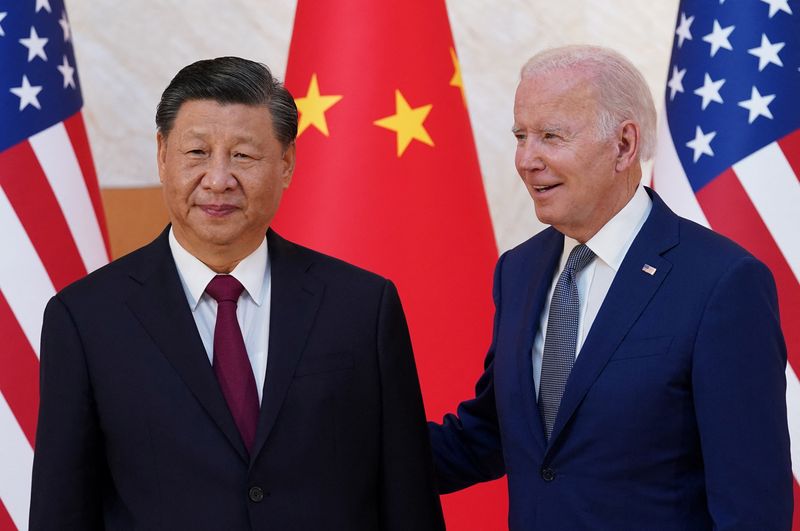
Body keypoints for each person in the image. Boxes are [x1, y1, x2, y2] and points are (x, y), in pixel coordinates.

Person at [30, 57, 444, 531]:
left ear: (286, 163)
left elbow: (409, 498)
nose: (219, 179)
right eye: (197, 153)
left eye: (243, 155)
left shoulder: (363, 306)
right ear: (163, 155)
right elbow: (61, 511)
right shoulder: (85, 319)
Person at [429, 45, 792, 530]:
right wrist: (330, 443)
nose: (525, 159)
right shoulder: (518, 270)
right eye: (521, 136)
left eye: (550, 136)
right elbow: (492, 434)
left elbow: (751, 507)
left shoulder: (722, 283)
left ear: (623, 145)